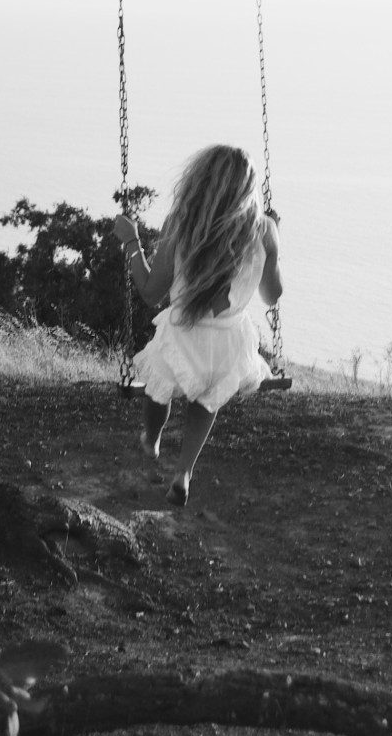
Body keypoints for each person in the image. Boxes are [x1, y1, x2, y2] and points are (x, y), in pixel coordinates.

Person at [111, 145, 283, 506]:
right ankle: (184, 472)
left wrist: (130, 242)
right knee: (207, 399)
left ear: (199, 180)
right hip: (230, 345)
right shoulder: (264, 230)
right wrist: (273, 250)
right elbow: (271, 295)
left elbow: (149, 291)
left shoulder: (181, 224)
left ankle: (151, 438)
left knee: (159, 385)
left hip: (182, 335)